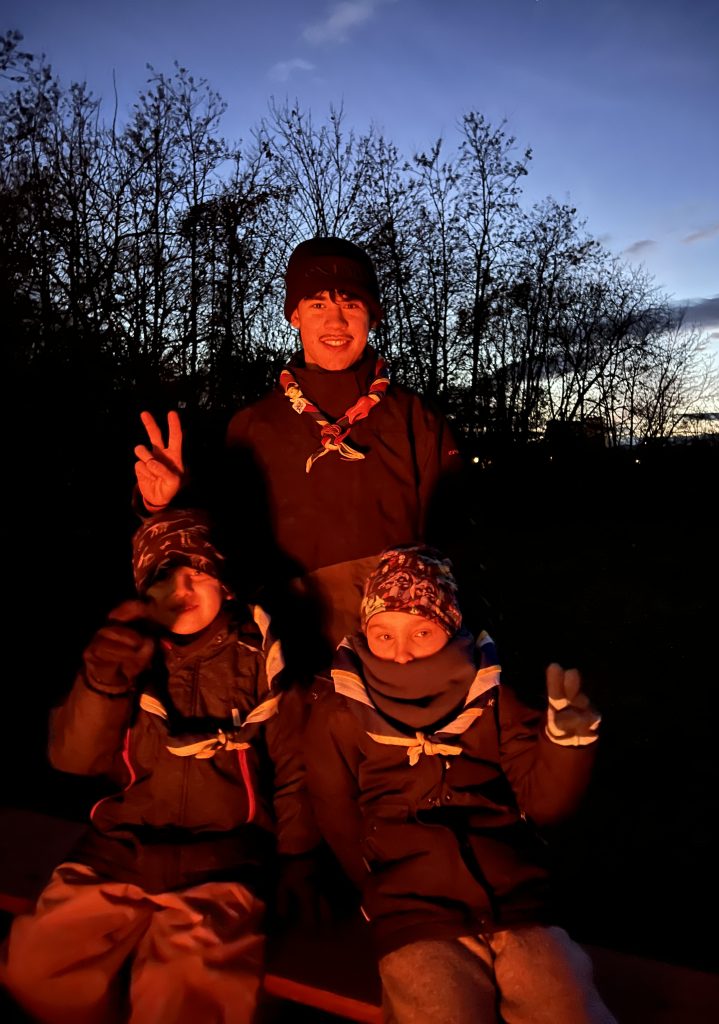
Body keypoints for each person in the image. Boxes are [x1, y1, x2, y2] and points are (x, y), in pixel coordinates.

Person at [0, 509, 320, 1024]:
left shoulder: (263, 660)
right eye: (162, 577)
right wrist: (103, 682)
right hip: (117, 851)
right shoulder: (124, 650)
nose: (181, 588)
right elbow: (74, 759)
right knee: (37, 967)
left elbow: (295, 768)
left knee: (187, 995)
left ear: (225, 583)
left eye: (198, 572)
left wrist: (299, 857)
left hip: (221, 864)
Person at [304, 545, 616, 1024]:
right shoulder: (340, 712)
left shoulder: (492, 697)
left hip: (517, 903)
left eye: (421, 632)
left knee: (563, 1005)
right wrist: (377, 888)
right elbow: (336, 813)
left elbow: (543, 804)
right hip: (414, 914)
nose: (400, 652)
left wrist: (565, 744)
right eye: (383, 634)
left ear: (449, 628)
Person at [134, 236, 464, 676]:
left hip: (394, 664)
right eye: (317, 305)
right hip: (288, 663)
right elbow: (218, 552)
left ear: (372, 316)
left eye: (351, 305)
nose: (336, 321)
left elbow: (454, 548)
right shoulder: (253, 426)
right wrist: (169, 502)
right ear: (294, 315)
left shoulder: (417, 420)